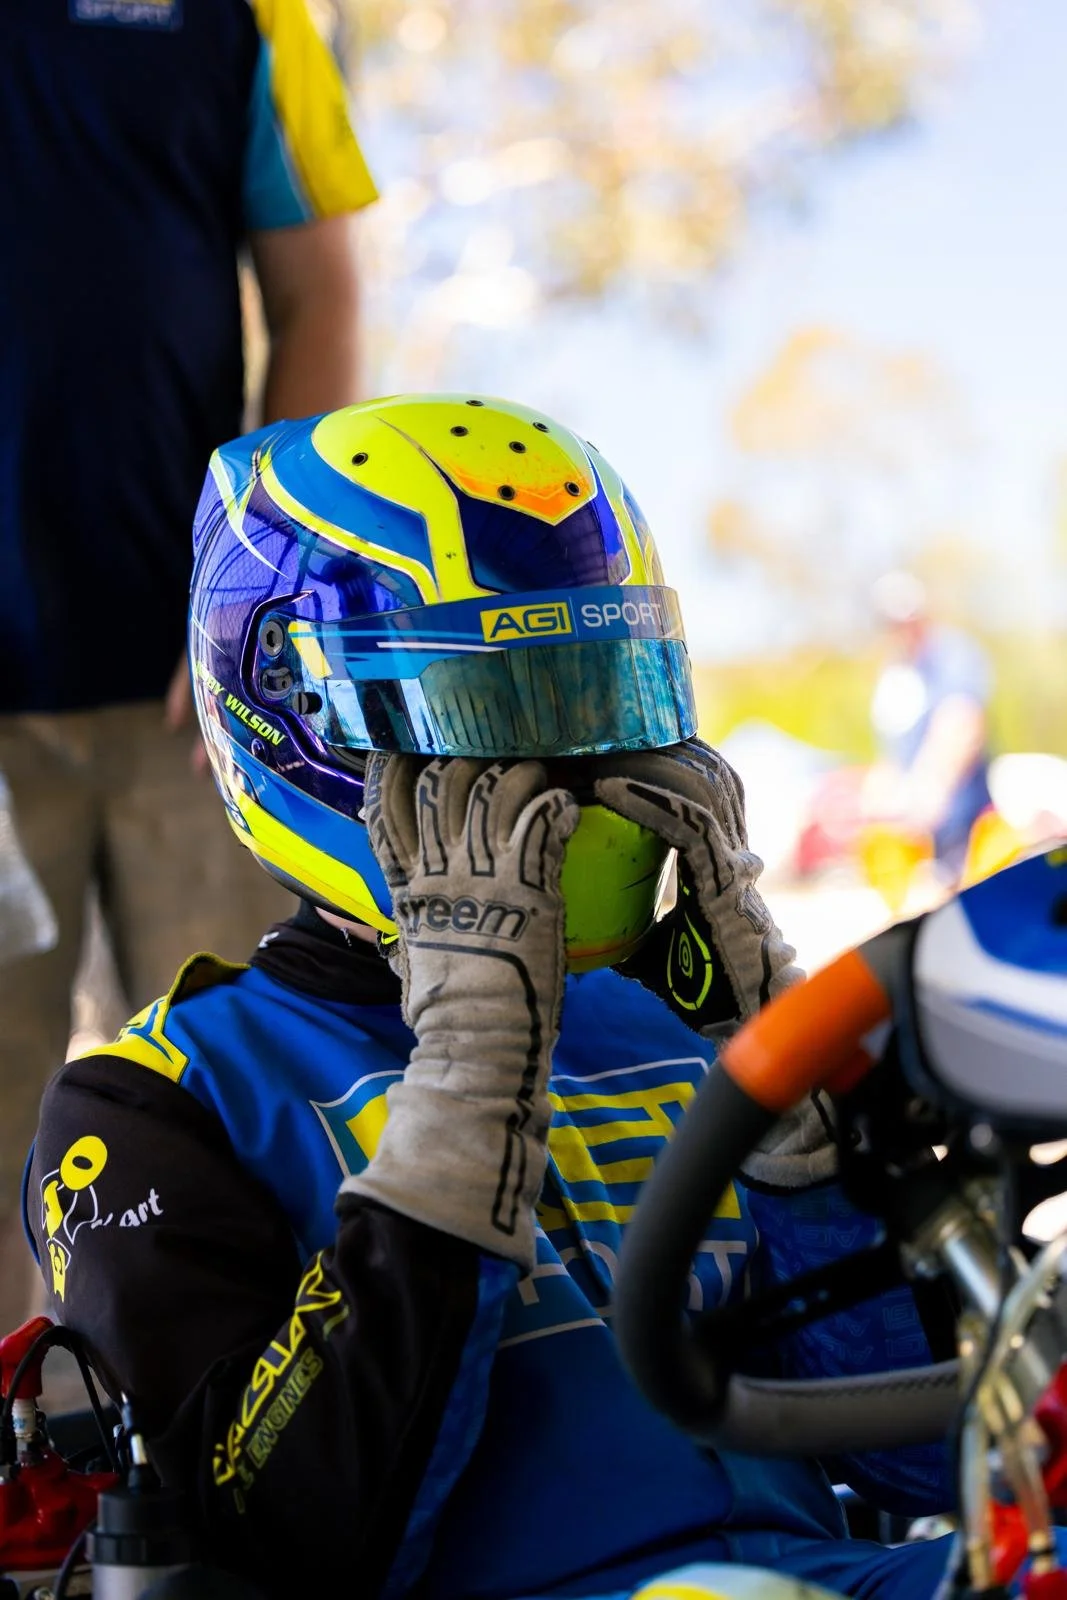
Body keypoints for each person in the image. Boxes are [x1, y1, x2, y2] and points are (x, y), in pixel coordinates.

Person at [26, 398, 955, 1600]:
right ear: (299, 724)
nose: (565, 776)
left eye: (591, 699)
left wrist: (808, 1117)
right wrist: (466, 1067)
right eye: (491, 716)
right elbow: (290, 1545)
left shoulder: (675, 1017)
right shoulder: (163, 1100)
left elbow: (938, 1458)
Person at [0, 0, 378, 1333]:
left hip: (203, 705)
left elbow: (317, 291)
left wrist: (253, 592)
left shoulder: (252, 18)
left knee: (256, 1096)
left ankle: (276, 1495)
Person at [865, 571, 993, 882]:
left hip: (963, 825)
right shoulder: (895, 670)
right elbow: (892, 750)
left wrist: (932, 787)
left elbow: (962, 722)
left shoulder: (952, 654)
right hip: (914, 832)